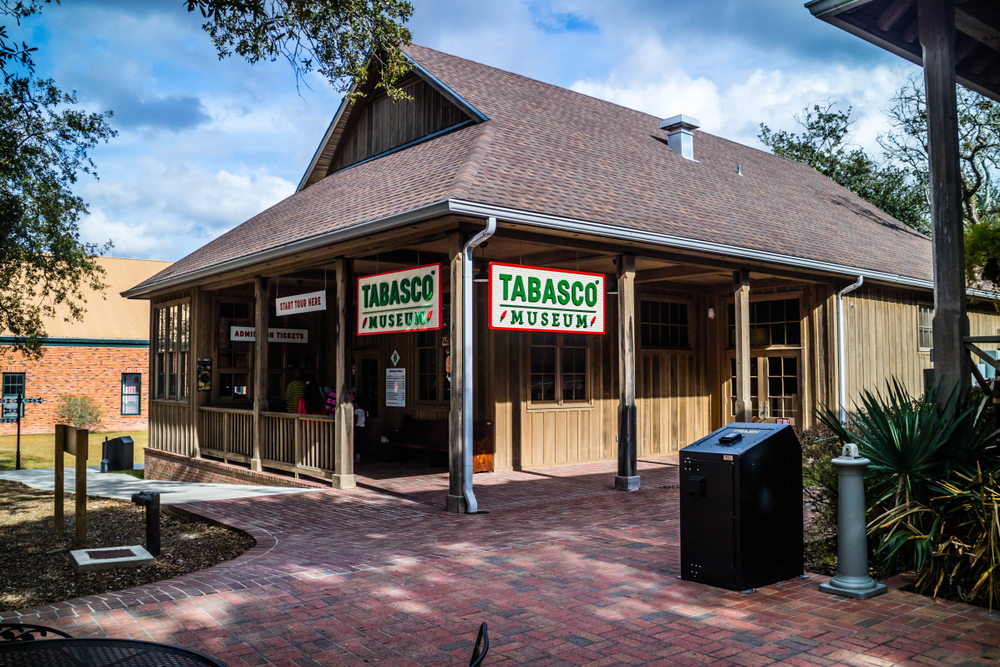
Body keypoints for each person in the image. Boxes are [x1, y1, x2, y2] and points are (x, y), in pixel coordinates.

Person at [353, 398, 367, 462]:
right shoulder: (364, 410)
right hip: (362, 426)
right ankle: (359, 455)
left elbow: (355, 419)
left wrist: (353, 425)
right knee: (360, 442)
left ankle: (356, 455)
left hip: (357, 427)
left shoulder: (357, 411)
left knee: (355, 442)